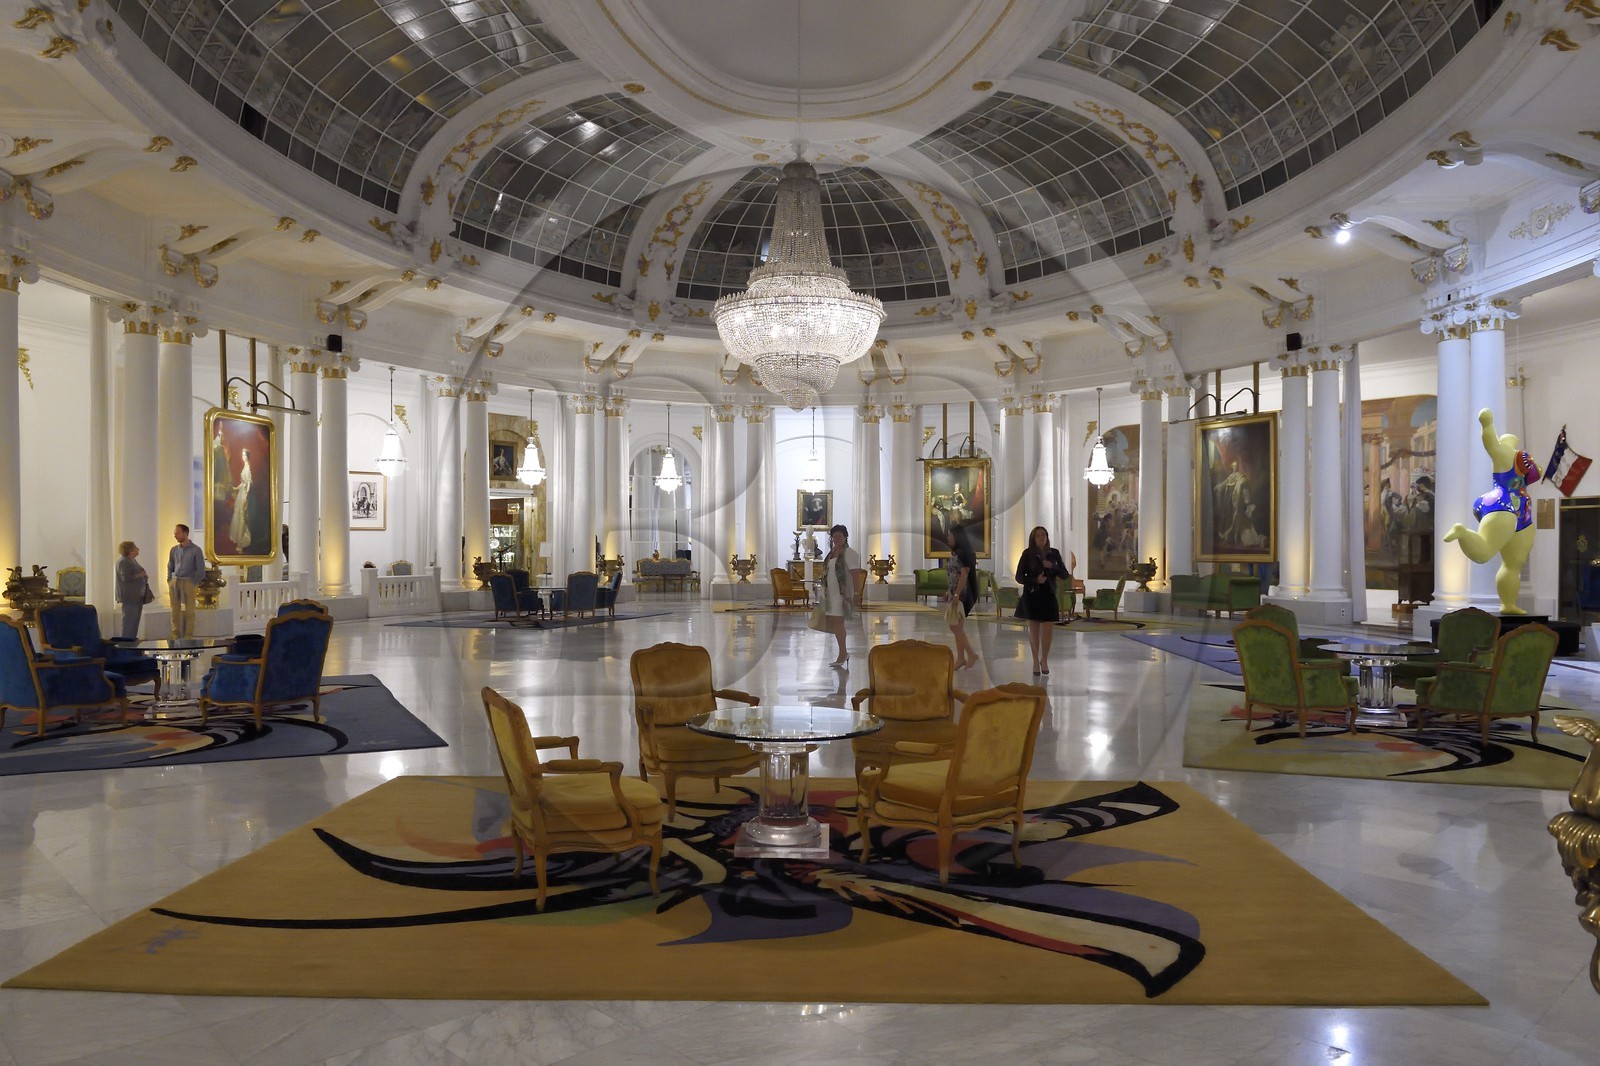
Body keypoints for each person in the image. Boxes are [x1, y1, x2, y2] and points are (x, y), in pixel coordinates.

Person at [1015, 525, 1067, 676]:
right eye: (1038, 535)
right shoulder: (1027, 554)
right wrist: (1035, 579)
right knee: (1034, 629)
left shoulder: (1054, 554)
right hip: (1032, 594)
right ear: (1033, 538)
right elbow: (1019, 577)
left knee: (1048, 628)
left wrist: (1053, 567)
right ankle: (1034, 660)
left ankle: (1044, 659)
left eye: (1043, 535)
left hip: (1049, 594)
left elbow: (1064, 574)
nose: (1041, 537)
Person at [820, 523, 864, 667]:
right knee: (835, 622)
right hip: (831, 593)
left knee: (838, 621)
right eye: (834, 537)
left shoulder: (849, 553)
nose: (837, 539)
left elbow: (855, 574)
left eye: (839, 536)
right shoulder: (832, 552)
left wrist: (857, 593)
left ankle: (843, 653)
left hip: (842, 593)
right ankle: (843, 652)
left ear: (845, 537)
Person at [942, 522, 979, 670]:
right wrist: (949, 592)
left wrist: (957, 594)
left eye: (950, 535)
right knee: (957, 626)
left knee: (955, 626)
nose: (948, 538)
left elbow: (964, 574)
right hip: (956, 592)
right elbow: (953, 575)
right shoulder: (958, 552)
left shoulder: (965, 552)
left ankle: (969, 654)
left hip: (964, 593)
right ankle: (962, 658)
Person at [167, 523, 206, 638]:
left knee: (190, 611)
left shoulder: (196, 550)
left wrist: (193, 582)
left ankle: (189, 636)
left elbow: (200, 569)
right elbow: (170, 565)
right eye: (175, 533)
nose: (175, 536)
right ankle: (176, 635)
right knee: (175, 611)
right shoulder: (174, 550)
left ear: (185, 533)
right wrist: (169, 579)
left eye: (178, 533)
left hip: (189, 581)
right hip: (175, 581)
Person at [114, 540, 148, 640]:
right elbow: (125, 577)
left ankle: (132, 640)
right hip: (129, 597)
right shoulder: (124, 561)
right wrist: (140, 575)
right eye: (135, 547)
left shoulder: (132, 560)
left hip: (136, 596)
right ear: (130, 550)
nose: (138, 549)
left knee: (134, 621)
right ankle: (126, 642)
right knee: (129, 622)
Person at [230, 449, 254, 553]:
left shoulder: (248, 468)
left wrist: (246, 496)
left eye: (244, 455)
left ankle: (241, 542)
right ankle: (239, 540)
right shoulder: (245, 467)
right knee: (239, 516)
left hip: (244, 495)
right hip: (241, 493)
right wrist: (236, 488)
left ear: (248, 456)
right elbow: (243, 483)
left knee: (242, 518)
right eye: (242, 455)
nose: (243, 456)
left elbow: (248, 484)